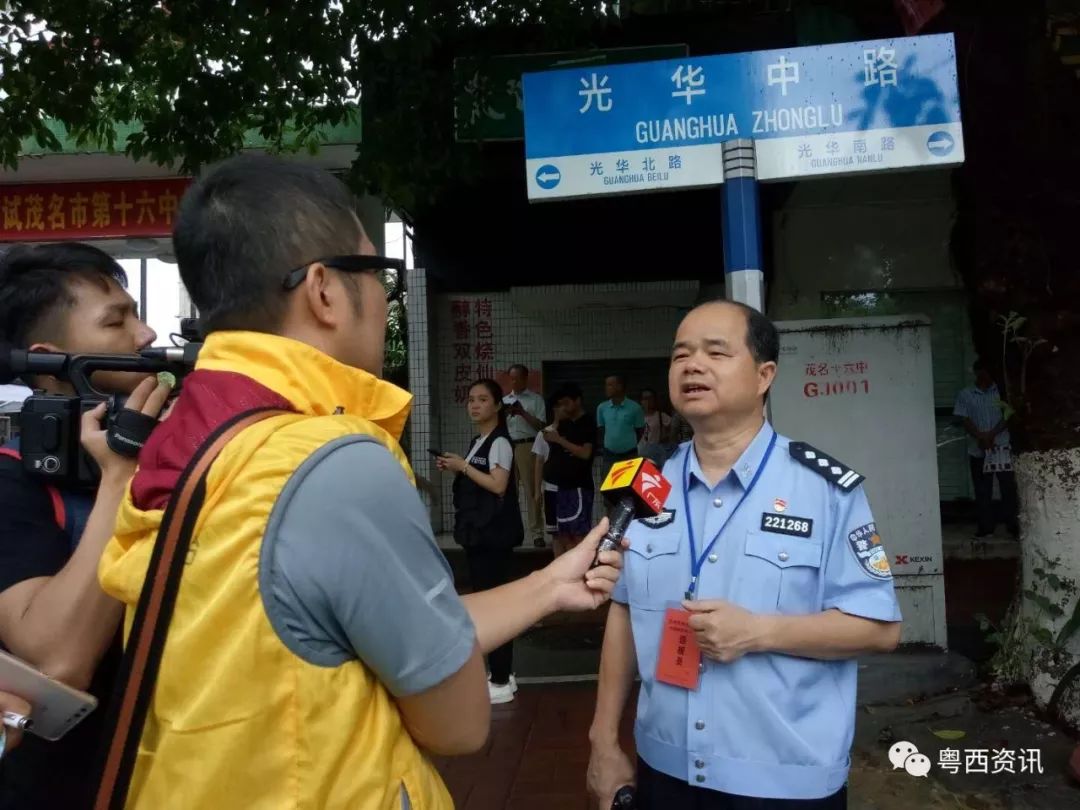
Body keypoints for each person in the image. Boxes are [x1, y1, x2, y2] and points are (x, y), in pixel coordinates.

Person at [96, 154, 626, 810]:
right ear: (323, 289)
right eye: (378, 273)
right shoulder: (330, 458)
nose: (383, 296)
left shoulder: (185, 440)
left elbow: (370, 633)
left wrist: (551, 583)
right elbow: (459, 724)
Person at [587, 300, 903, 810]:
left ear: (764, 375)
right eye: (680, 355)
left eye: (716, 352)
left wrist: (759, 632)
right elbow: (623, 612)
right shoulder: (644, 488)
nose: (692, 365)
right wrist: (603, 741)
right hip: (663, 769)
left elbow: (881, 629)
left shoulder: (824, 489)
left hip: (783, 782)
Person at [0, 244, 170, 809]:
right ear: (49, 359)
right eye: (116, 321)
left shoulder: (153, 459)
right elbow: (59, 657)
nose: (145, 336)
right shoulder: (11, 479)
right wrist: (121, 477)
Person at [436, 379, 524, 704]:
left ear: (497, 405)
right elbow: (479, 477)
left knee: (494, 606)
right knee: (491, 602)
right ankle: (503, 675)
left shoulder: (500, 441)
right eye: (471, 399)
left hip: (494, 536)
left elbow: (498, 485)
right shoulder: (480, 440)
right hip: (481, 535)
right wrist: (458, 466)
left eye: (483, 399)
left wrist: (463, 466)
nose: (475, 405)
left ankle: (500, 678)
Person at [953, 360, 1019, 538]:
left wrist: (991, 434)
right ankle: (985, 527)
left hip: (1002, 449)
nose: (986, 377)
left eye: (988, 373)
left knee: (1008, 489)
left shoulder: (1002, 392)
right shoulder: (965, 394)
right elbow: (963, 418)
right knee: (983, 490)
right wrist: (980, 437)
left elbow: (1009, 416)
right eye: (982, 373)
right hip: (979, 450)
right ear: (976, 373)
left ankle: (1012, 525)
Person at [542, 383, 597, 557]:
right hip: (560, 487)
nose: (564, 407)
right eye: (560, 404)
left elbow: (585, 453)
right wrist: (557, 420)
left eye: (566, 403)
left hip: (579, 486)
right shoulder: (564, 424)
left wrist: (560, 440)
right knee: (562, 534)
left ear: (577, 401)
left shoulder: (587, 422)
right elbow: (549, 440)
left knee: (578, 534)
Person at [504, 364, 547, 548]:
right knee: (508, 492)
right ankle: (512, 532)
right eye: (511, 378)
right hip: (507, 446)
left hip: (528, 445)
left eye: (517, 378)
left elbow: (541, 426)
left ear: (525, 378)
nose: (514, 382)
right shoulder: (504, 400)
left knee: (532, 491)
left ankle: (537, 533)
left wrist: (522, 412)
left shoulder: (536, 400)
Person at [597, 374, 645, 474]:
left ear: (619, 386)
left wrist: (626, 444)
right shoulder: (602, 408)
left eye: (610, 385)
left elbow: (640, 430)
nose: (606, 388)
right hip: (609, 456)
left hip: (629, 455)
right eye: (606, 385)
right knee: (608, 487)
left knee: (628, 488)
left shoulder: (635, 408)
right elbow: (601, 429)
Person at [638, 387, 672, 467]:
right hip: (640, 453)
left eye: (650, 398)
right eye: (645, 399)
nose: (648, 401)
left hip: (656, 453)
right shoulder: (637, 416)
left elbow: (673, 430)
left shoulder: (661, 416)